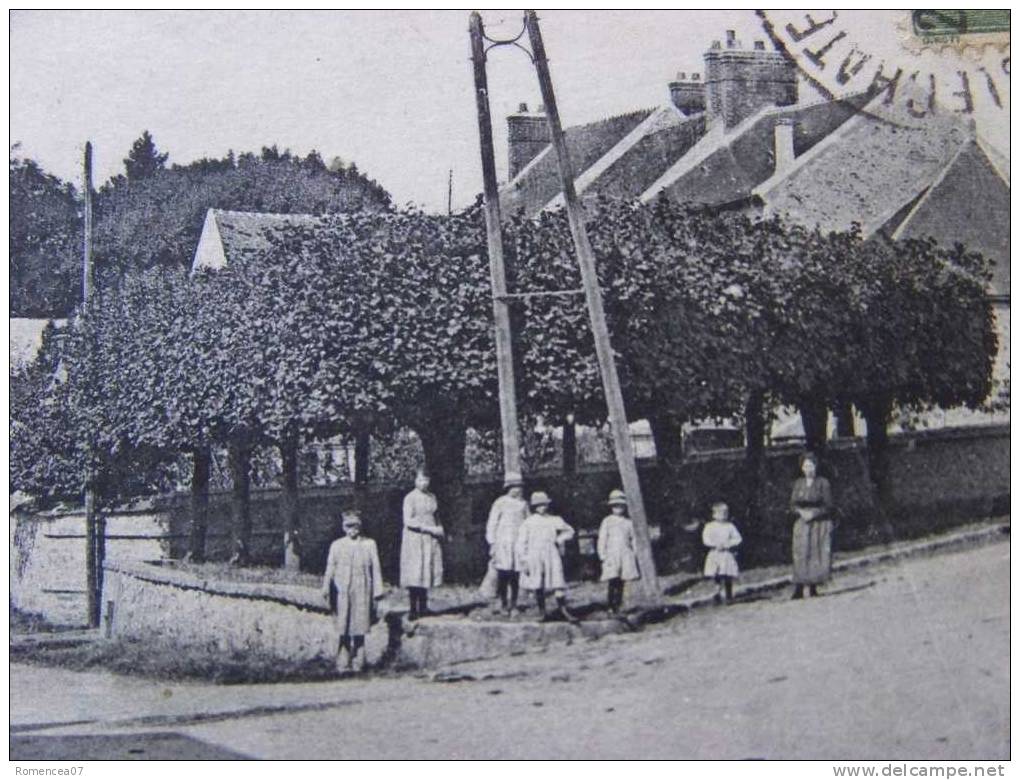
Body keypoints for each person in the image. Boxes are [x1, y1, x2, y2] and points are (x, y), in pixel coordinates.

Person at [320, 510, 385, 674]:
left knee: (360, 620)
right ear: (343, 528)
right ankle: (344, 653)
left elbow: (376, 568)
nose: (352, 530)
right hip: (342, 588)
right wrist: (326, 586)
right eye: (348, 527)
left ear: (360, 527)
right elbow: (330, 566)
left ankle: (359, 654)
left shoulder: (369, 544)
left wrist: (378, 590)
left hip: (362, 587)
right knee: (343, 620)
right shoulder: (337, 545)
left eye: (355, 526)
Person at [515, 491, 576, 621]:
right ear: (534, 507)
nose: (542, 508)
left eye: (544, 505)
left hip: (551, 552)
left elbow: (569, 531)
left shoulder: (554, 520)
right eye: (538, 505)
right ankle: (542, 612)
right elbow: (521, 542)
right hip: (534, 554)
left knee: (557, 580)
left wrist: (559, 539)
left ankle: (563, 609)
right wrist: (523, 559)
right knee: (538, 582)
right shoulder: (528, 522)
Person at [789, 451, 835, 599]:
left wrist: (814, 514)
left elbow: (829, 506)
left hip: (819, 523)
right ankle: (799, 587)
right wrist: (800, 512)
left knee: (815, 552)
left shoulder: (823, 483)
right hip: (802, 522)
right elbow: (792, 504)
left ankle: (813, 586)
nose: (809, 469)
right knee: (801, 553)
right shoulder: (798, 483)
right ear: (802, 468)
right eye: (806, 466)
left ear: (816, 467)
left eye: (811, 466)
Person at [400, 468, 444, 620]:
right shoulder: (410, 498)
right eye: (420, 480)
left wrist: (439, 527)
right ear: (415, 481)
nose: (423, 483)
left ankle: (424, 607)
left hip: (429, 539)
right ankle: (413, 609)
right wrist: (426, 528)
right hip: (415, 538)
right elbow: (408, 520)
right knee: (415, 572)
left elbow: (436, 515)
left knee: (426, 570)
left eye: (426, 480)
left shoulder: (432, 497)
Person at [485, 473, 529, 616]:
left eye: (519, 487)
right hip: (503, 542)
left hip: (518, 542)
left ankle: (514, 604)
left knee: (515, 574)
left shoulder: (523, 504)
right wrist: (492, 542)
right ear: (508, 488)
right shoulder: (500, 503)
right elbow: (492, 523)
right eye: (514, 487)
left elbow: (528, 522)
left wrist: (527, 541)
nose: (517, 490)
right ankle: (503, 603)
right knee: (503, 573)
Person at [596, 489, 640, 615]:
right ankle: (611, 606)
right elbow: (602, 538)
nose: (618, 509)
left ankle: (619, 605)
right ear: (611, 507)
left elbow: (633, 539)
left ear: (624, 507)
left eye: (620, 506)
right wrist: (602, 554)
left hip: (625, 554)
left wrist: (634, 553)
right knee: (613, 579)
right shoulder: (607, 521)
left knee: (622, 581)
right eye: (615, 506)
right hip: (612, 554)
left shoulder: (628, 523)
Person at [701, 501, 742, 603]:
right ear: (714, 514)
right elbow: (706, 539)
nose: (723, 516)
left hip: (726, 554)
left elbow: (738, 538)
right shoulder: (709, 526)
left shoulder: (729, 526)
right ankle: (717, 592)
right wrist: (715, 545)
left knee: (727, 574)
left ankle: (729, 595)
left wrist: (727, 544)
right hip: (715, 553)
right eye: (720, 513)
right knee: (716, 574)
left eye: (725, 513)